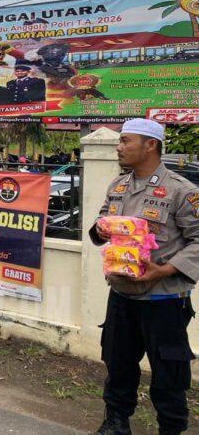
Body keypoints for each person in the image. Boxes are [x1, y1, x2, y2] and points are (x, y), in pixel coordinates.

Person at [90, 118, 199, 435]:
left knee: (168, 373)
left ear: (150, 145)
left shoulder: (181, 191)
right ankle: (116, 423)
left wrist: (164, 270)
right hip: (122, 295)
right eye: (120, 141)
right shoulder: (118, 186)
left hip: (163, 299)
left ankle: (171, 428)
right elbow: (102, 225)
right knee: (118, 364)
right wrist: (100, 228)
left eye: (126, 141)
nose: (119, 147)